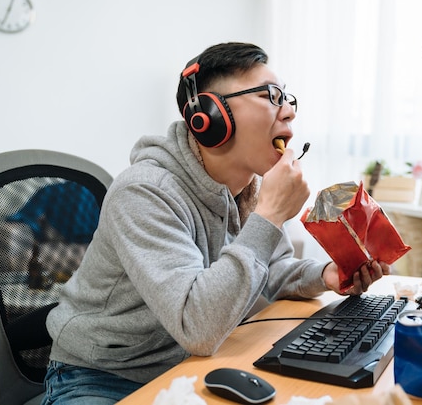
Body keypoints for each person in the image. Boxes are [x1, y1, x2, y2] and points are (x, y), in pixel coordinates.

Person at [40, 42, 390, 404]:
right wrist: (269, 216)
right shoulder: (143, 191)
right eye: (272, 96)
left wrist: (326, 276)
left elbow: (271, 268)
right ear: (209, 117)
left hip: (191, 363)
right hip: (100, 376)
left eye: (288, 98)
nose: (288, 113)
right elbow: (198, 327)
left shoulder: (249, 188)